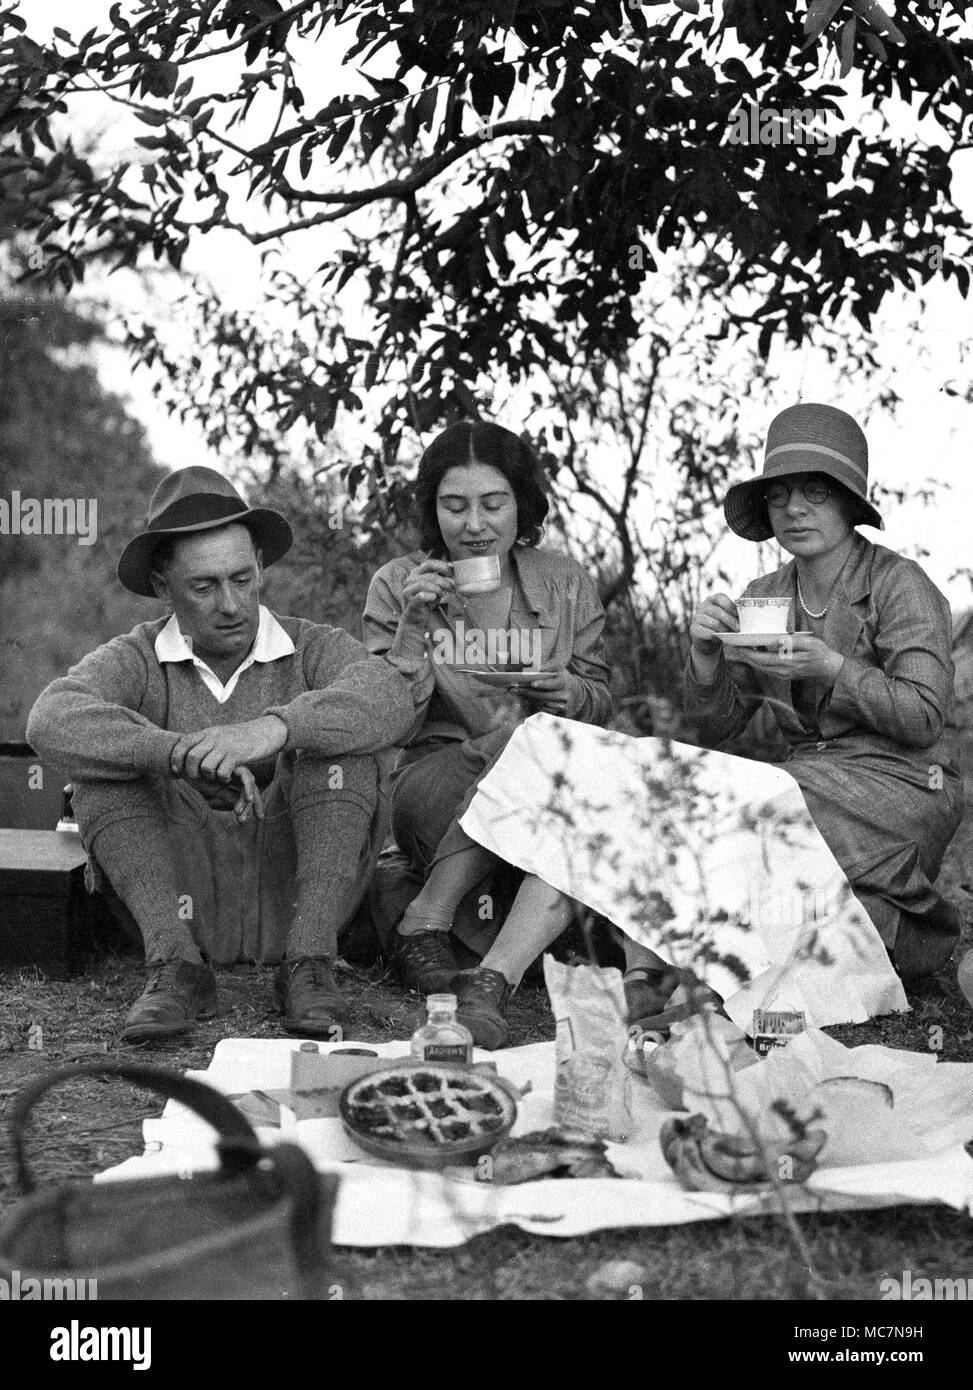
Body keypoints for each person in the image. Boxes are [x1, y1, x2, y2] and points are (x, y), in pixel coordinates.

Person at [26, 467, 426, 1043]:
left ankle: (311, 964)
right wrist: (175, 753)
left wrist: (274, 729)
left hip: (292, 896)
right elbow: (51, 718)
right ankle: (174, 967)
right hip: (185, 900)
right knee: (105, 765)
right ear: (164, 585)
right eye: (205, 586)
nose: (231, 604)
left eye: (243, 578)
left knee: (340, 747)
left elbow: (391, 700)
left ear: (262, 565)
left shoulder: (312, 646)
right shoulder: (138, 657)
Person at [684, 401, 964, 992]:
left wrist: (835, 667)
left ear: (848, 503)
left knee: (752, 811)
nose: (793, 508)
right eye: (779, 494)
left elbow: (924, 717)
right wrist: (707, 655)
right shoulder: (764, 594)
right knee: (739, 820)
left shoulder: (898, 583)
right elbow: (717, 727)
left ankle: (688, 969)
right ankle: (896, 933)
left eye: (815, 491)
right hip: (809, 780)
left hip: (908, 781)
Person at [362, 421, 612, 1046]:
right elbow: (382, 717)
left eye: (493, 504)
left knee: (545, 748)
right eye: (454, 506)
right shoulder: (401, 584)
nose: (474, 524)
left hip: (544, 786)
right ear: (432, 510)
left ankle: (478, 968)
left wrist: (569, 692)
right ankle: (437, 915)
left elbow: (598, 698)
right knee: (534, 748)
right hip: (437, 781)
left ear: (522, 504)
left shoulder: (562, 580)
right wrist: (415, 625)